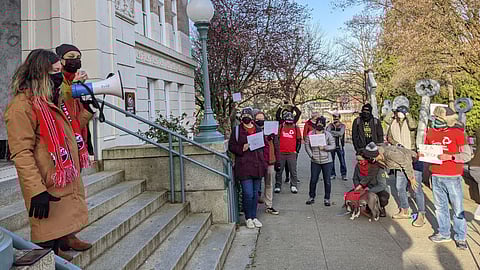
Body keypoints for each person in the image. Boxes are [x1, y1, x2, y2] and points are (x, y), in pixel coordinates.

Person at [5, 49, 94, 261]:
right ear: (40, 73)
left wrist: (87, 111)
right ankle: (49, 258)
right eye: (54, 71)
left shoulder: (50, 101)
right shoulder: (21, 107)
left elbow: (69, 133)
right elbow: (21, 152)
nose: (59, 76)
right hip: (46, 180)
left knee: (59, 225)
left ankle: (60, 247)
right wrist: (36, 190)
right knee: (46, 235)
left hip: (60, 177)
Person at [422, 106, 472, 250]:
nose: (436, 121)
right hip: (436, 175)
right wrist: (424, 155)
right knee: (440, 207)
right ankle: (444, 233)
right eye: (435, 118)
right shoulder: (430, 132)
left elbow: (467, 155)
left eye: (439, 118)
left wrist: (450, 156)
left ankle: (460, 237)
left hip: (453, 176)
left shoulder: (458, 133)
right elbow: (426, 150)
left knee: (457, 209)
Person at [361, 142, 426, 225]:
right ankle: (405, 211)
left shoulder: (390, 154)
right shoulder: (378, 157)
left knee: (416, 189)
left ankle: (421, 214)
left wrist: (411, 178)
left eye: (371, 158)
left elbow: (406, 163)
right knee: (400, 187)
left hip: (413, 163)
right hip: (400, 167)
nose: (371, 160)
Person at [228, 108, 266, 229]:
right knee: (247, 193)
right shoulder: (237, 130)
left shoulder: (258, 129)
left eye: (248, 115)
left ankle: (254, 217)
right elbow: (231, 146)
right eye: (244, 115)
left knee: (255, 194)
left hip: (258, 165)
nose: (246, 117)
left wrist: (265, 162)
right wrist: (241, 148)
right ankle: (248, 217)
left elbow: (263, 146)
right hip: (244, 166)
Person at [55, 44, 94, 156]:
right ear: (61, 60)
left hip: (77, 130)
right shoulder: (57, 78)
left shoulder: (72, 78)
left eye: (78, 57)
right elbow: (62, 97)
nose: (75, 60)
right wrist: (75, 85)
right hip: (66, 133)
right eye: (71, 57)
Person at [305, 116, 335, 206]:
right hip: (315, 160)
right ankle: (311, 196)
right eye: (318, 123)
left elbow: (333, 145)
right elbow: (307, 146)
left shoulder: (328, 134)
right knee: (313, 179)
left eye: (321, 123)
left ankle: (327, 198)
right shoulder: (310, 134)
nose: (319, 125)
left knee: (327, 181)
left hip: (327, 161)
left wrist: (325, 147)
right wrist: (311, 155)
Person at [255, 111, 280, 215]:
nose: (260, 121)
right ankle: (253, 206)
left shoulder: (272, 132)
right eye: (258, 119)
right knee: (256, 184)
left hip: (270, 161)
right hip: (258, 162)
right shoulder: (254, 130)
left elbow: (276, 147)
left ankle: (269, 205)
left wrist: (278, 161)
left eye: (262, 119)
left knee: (269, 184)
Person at [353, 151, 391, 218]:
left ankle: (380, 207)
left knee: (383, 198)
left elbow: (382, 185)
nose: (359, 162)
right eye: (358, 160)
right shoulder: (358, 166)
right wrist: (358, 187)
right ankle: (368, 205)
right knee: (351, 196)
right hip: (364, 188)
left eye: (361, 160)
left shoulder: (378, 167)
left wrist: (369, 191)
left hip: (378, 190)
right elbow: (355, 178)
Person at [274, 111, 302, 194]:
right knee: (279, 170)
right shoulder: (281, 126)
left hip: (291, 152)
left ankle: (293, 185)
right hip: (281, 152)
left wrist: (296, 151)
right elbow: (277, 138)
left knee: (293, 170)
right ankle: (278, 185)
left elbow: (299, 140)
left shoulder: (295, 127)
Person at [327, 112, 347, 181]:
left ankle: (344, 174)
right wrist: (337, 134)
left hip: (340, 146)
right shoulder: (330, 125)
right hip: (332, 146)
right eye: (334, 117)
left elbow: (341, 133)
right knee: (331, 161)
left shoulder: (342, 126)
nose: (335, 118)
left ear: (339, 118)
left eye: (337, 117)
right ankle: (332, 174)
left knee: (342, 161)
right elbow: (328, 132)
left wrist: (333, 133)